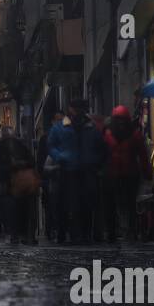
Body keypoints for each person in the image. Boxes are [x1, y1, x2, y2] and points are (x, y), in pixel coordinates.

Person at [46, 99, 107, 244]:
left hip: (86, 170)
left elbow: (101, 148)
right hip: (67, 170)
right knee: (66, 203)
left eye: (80, 109)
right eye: (75, 109)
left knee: (86, 203)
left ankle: (84, 233)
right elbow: (51, 145)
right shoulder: (60, 127)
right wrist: (59, 156)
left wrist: (96, 162)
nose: (77, 112)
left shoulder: (91, 128)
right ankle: (65, 232)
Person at [102, 105, 150, 242]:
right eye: (119, 119)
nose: (121, 123)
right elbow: (142, 155)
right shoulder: (110, 134)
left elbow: (143, 155)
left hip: (126, 174)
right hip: (116, 174)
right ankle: (114, 231)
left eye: (123, 120)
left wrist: (147, 172)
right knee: (114, 205)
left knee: (128, 205)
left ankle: (128, 230)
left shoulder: (111, 134)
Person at [36, 112, 64, 242]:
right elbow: (40, 159)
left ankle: (60, 230)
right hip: (48, 176)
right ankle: (50, 229)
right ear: (53, 122)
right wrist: (41, 177)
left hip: (63, 176)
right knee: (49, 205)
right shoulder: (45, 138)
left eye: (62, 120)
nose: (60, 123)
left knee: (61, 205)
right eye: (58, 120)